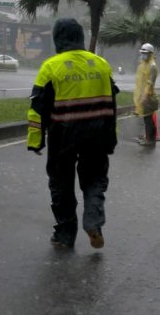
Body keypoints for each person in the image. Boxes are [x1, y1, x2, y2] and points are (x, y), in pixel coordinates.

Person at [27, 17, 118, 249]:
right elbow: (111, 107)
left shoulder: (50, 67)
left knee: (61, 184)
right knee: (95, 179)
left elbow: (38, 109)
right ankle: (93, 221)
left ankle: (66, 235)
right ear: (80, 37)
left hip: (63, 136)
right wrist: (111, 139)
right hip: (96, 135)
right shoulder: (101, 65)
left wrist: (36, 141)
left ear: (58, 39)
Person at [134, 42, 159, 145]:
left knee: (148, 119)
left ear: (150, 54)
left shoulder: (152, 66)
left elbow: (150, 82)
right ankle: (150, 138)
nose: (143, 55)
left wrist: (144, 95)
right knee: (147, 118)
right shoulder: (144, 64)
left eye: (145, 53)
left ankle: (149, 140)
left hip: (149, 96)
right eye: (142, 53)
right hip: (144, 95)